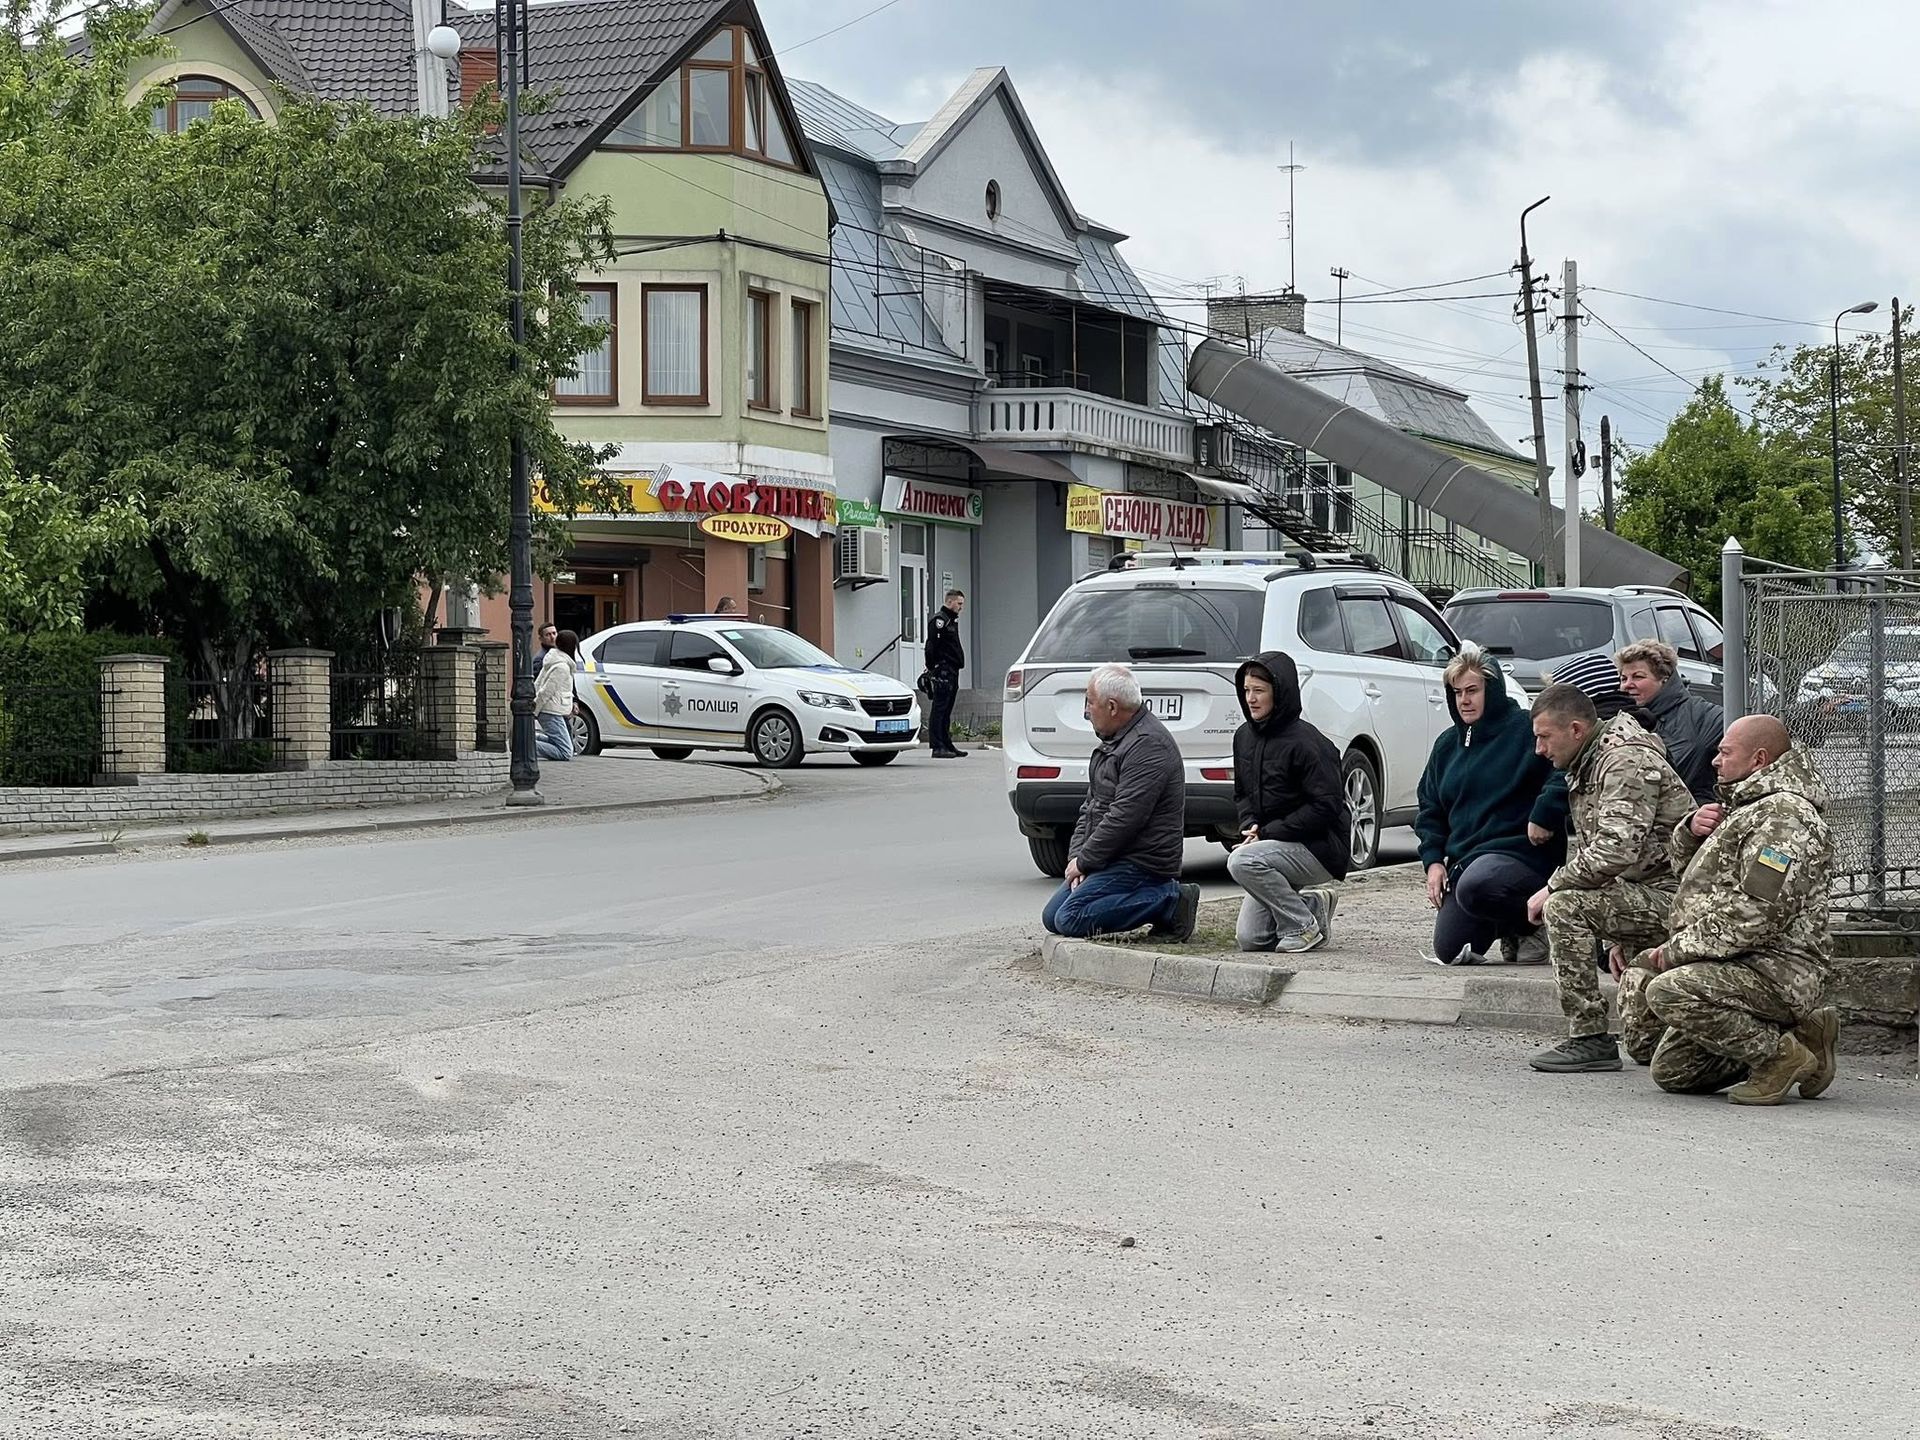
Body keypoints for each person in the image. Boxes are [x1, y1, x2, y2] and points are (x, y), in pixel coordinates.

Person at [1628, 715, 1838, 1104]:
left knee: (1668, 991)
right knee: (1674, 1072)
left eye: (1726, 752)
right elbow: (1700, 880)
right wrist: (1690, 834)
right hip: (1738, 960)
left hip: (1777, 968)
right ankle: (1803, 1034)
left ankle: (1780, 1058)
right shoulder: (1749, 807)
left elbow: (1756, 912)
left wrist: (1678, 951)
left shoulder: (1783, 818)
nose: (1715, 760)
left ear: (1758, 759)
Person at [1525, 683, 1695, 1073]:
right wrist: (1619, 934)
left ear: (1576, 730)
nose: (1540, 750)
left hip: (1681, 901)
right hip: (1650, 892)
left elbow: (1615, 851)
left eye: (1544, 737)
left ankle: (1588, 1036)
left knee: (1564, 906)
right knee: (1643, 1046)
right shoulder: (1592, 759)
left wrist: (1551, 886)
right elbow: (1614, 858)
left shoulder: (1624, 761)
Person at [1414, 643, 1567, 966]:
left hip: (1522, 855)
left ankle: (1536, 924)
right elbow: (1430, 809)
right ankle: (1513, 927)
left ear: (1492, 689)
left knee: (1478, 884)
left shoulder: (1527, 729)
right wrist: (1433, 862)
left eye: (1473, 690)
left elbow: (1565, 770)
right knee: (1450, 951)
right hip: (1466, 863)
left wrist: (1544, 812)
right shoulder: (1446, 746)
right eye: (1457, 692)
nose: (1464, 700)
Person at [1042, 663, 1200, 941]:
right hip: (1112, 856)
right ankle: (1156, 899)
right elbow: (1090, 807)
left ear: (1112, 707)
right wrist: (1077, 858)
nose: (1086, 711)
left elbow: (1125, 818)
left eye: (1090, 702)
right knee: (1052, 917)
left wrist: (1086, 860)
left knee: (1070, 918)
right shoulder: (1116, 739)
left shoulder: (1148, 745)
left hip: (1141, 861)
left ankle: (1171, 899)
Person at [1226, 651, 1349, 953]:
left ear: (1279, 693)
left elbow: (1326, 807)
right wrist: (1250, 825)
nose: (1251, 699)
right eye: (1246, 691)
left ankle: (1303, 927)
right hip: (1273, 846)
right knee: (1251, 939)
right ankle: (1311, 905)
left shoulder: (1309, 744)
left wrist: (1268, 833)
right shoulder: (1244, 736)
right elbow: (1242, 793)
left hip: (1319, 848)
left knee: (1242, 861)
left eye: (1259, 690)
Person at [1615, 640, 1725, 803]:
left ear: (1665, 679)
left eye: (1638, 677)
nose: (1627, 685)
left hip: (1690, 816)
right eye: (1624, 679)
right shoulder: (1620, 720)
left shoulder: (1699, 715)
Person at [925, 589, 967, 760]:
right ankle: (937, 746)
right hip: (943, 669)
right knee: (939, 708)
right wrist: (932, 668)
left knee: (947, 709)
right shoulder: (940, 620)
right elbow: (931, 645)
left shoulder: (951, 620)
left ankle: (947, 743)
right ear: (950, 602)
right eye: (959, 603)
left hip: (952, 669)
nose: (961, 607)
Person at [534, 628, 580, 762]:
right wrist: (535, 710)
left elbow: (538, 683)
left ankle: (531, 739)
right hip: (551, 711)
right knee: (565, 752)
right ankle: (527, 745)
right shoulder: (561, 667)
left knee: (563, 744)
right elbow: (546, 691)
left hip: (553, 710)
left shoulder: (553, 660)